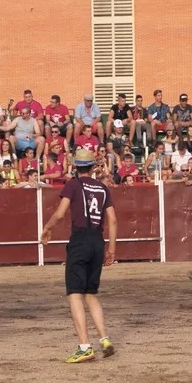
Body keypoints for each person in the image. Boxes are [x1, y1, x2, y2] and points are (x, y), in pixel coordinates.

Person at [41, 149, 118, 363]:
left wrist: (47, 229)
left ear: (75, 167)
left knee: (74, 293)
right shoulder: (103, 188)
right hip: (97, 241)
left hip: (80, 240)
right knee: (91, 293)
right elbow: (112, 220)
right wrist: (111, 249)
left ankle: (84, 346)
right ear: (93, 166)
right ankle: (104, 338)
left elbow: (59, 213)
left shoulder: (73, 185)